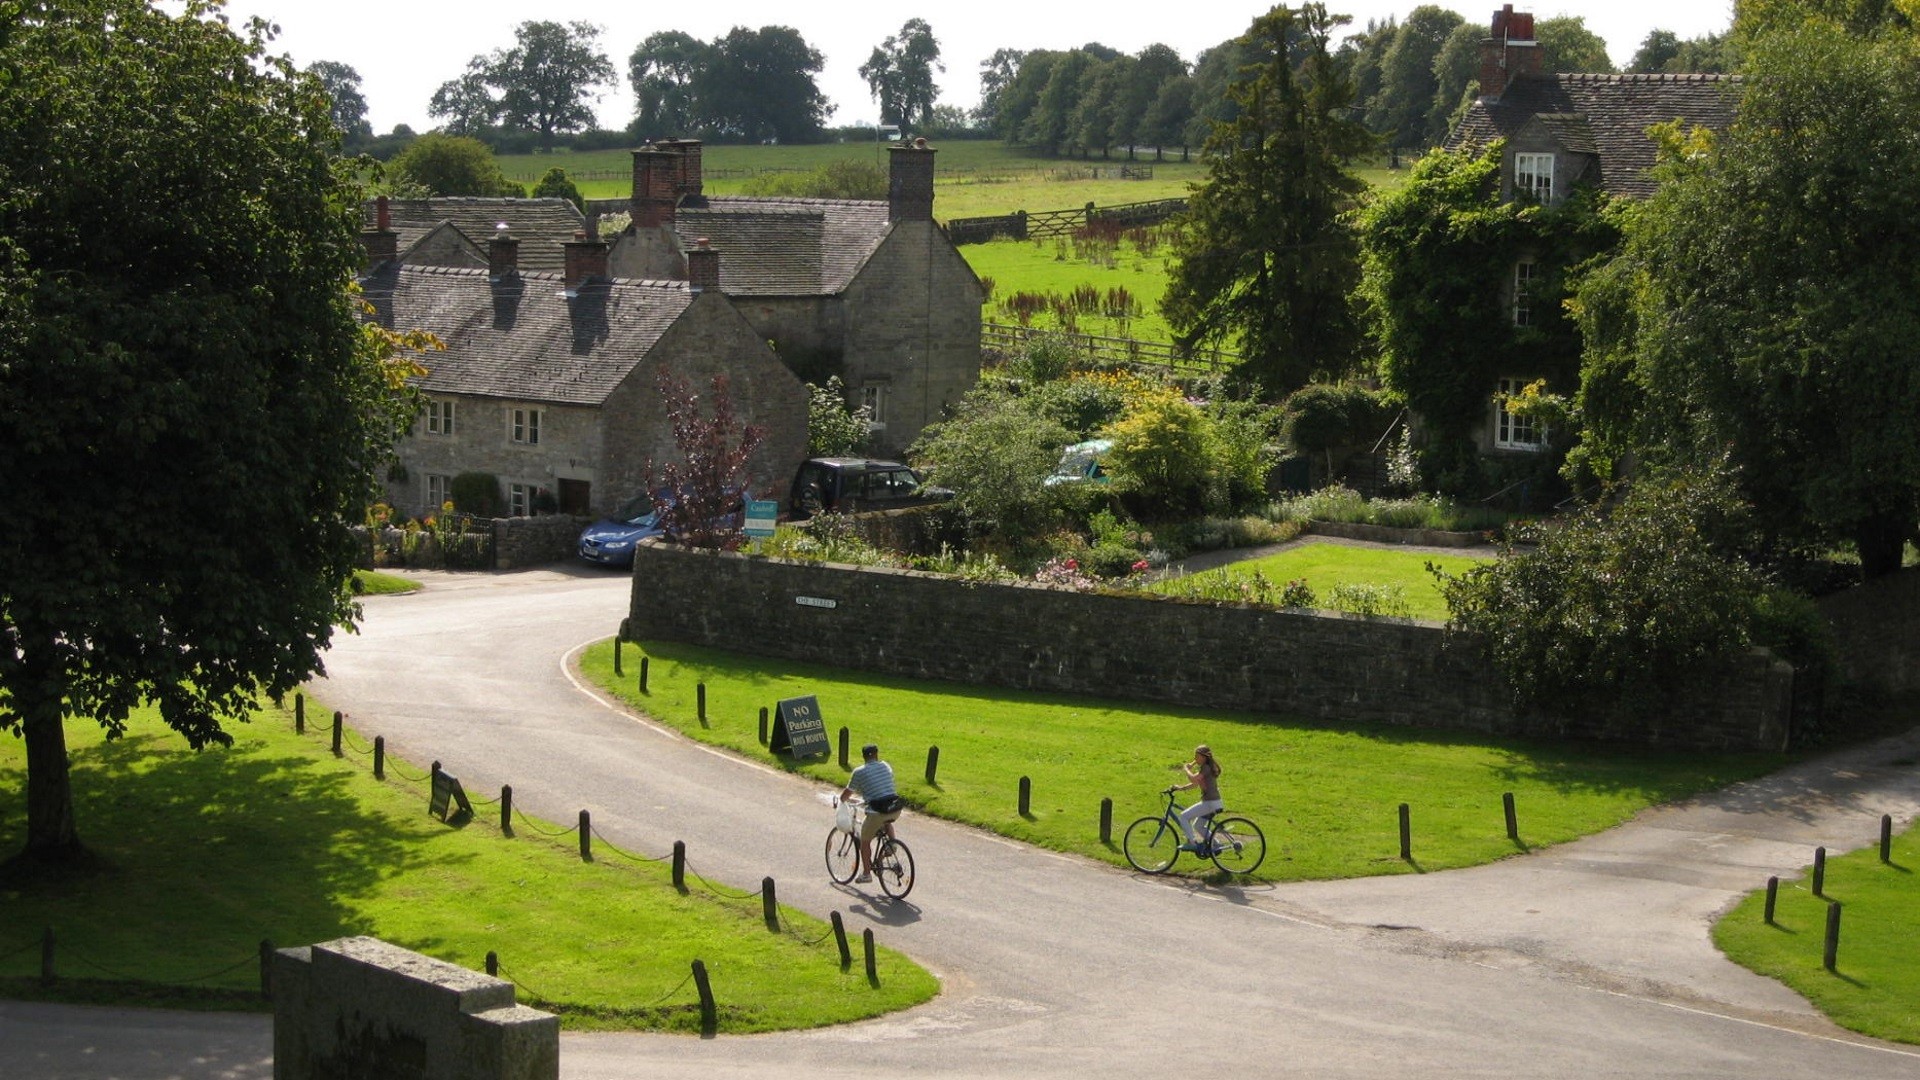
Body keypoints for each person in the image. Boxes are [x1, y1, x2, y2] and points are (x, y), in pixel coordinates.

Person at [840, 743, 905, 883]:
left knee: (865, 842)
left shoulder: (859, 772)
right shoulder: (886, 766)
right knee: (887, 822)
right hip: (894, 808)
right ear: (876, 754)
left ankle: (866, 874)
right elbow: (882, 787)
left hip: (877, 812)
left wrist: (842, 800)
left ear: (863, 757)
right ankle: (892, 845)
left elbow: (846, 795)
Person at [1173, 744, 1223, 852]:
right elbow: (1195, 784)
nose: (1195, 759)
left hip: (1210, 803)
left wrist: (1186, 769)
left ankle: (1192, 842)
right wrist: (1181, 788)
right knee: (1198, 826)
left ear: (1204, 757)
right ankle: (1216, 845)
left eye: (1197, 756)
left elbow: (1194, 779)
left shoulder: (1206, 767)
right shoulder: (1205, 768)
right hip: (1214, 802)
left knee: (1184, 816)